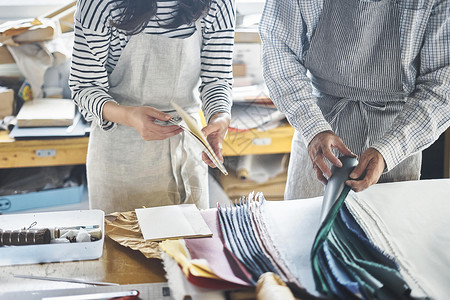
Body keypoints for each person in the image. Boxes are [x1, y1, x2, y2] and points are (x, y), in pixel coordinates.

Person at [259, 0, 450, 199]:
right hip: (318, 129)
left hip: (399, 140)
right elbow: (279, 53)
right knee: (307, 227)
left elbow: (442, 84)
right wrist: (314, 128)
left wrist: (388, 150)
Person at [69, 0, 235, 213]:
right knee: (123, 245)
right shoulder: (99, 4)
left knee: (189, 244)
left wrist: (220, 116)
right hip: (120, 154)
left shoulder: (217, 3)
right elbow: (84, 87)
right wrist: (130, 116)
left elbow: (217, 80)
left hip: (186, 150)